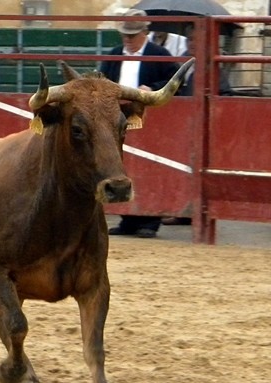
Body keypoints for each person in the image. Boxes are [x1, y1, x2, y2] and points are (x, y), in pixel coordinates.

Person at [100, 9, 179, 239]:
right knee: (123, 165)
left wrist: (152, 87)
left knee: (150, 167)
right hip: (118, 119)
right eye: (125, 34)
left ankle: (150, 221)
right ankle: (127, 219)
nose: (127, 39)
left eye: (132, 35)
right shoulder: (115, 54)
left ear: (145, 32)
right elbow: (101, 80)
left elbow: (175, 81)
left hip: (150, 121)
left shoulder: (159, 54)